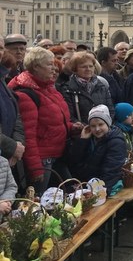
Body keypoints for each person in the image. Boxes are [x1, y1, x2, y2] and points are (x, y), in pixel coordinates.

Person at [8, 47, 81, 195]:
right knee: (40, 202)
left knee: (71, 193)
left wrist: (71, 127)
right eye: (49, 64)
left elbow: (52, 122)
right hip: (43, 160)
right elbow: (28, 135)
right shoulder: (26, 94)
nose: (54, 67)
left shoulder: (47, 88)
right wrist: (36, 168)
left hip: (57, 154)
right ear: (36, 67)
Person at [66, 105, 126, 193]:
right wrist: (82, 140)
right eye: (93, 126)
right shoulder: (89, 138)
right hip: (87, 182)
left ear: (108, 124)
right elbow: (74, 161)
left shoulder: (116, 142)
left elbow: (111, 171)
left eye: (101, 124)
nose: (97, 129)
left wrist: (97, 190)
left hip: (104, 185)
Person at [59, 51, 114, 124]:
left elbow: (110, 109)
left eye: (91, 66)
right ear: (75, 69)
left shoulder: (101, 86)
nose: (88, 69)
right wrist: (87, 128)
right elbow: (70, 115)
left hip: (103, 130)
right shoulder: (67, 89)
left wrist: (104, 125)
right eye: (83, 67)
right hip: (82, 131)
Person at [0, 35, 26, 169]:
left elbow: (16, 116)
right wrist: (12, 146)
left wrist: (18, 145)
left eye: (0, 48)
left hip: (7, 158)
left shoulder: (2, 79)